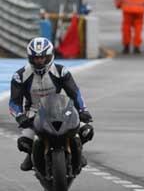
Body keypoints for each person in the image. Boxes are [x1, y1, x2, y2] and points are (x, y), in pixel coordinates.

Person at [9, 37, 93, 172]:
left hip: (60, 109)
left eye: (43, 57)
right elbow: (14, 101)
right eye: (36, 58)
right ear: (30, 58)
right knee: (24, 142)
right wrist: (19, 116)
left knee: (86, 131)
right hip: (34, 112)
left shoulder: (61, 71)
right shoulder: (20, 76)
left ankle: (77, 151)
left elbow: (74, 93)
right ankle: (31, 155)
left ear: (50, 56)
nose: (40, 61)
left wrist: (83, 110)